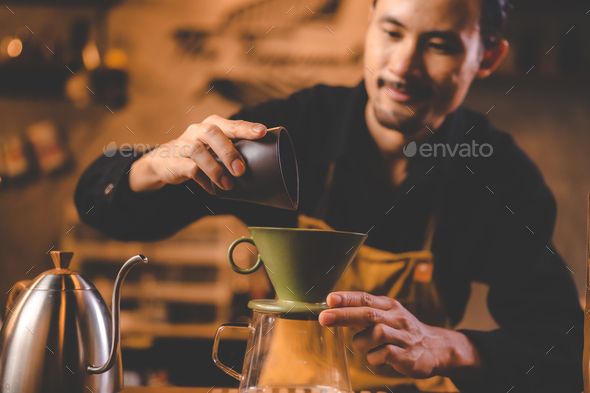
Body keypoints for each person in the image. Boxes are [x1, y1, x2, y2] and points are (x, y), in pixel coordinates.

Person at [74, 0, 583, 391]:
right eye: (392, 31)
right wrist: (152, 166)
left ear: (488, 55)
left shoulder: (498, 176)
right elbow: (100, 207)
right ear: (371, 22)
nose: (403, 66)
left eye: (440, 44)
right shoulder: (293, 132)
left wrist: (444, 346)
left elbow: (558, 349)